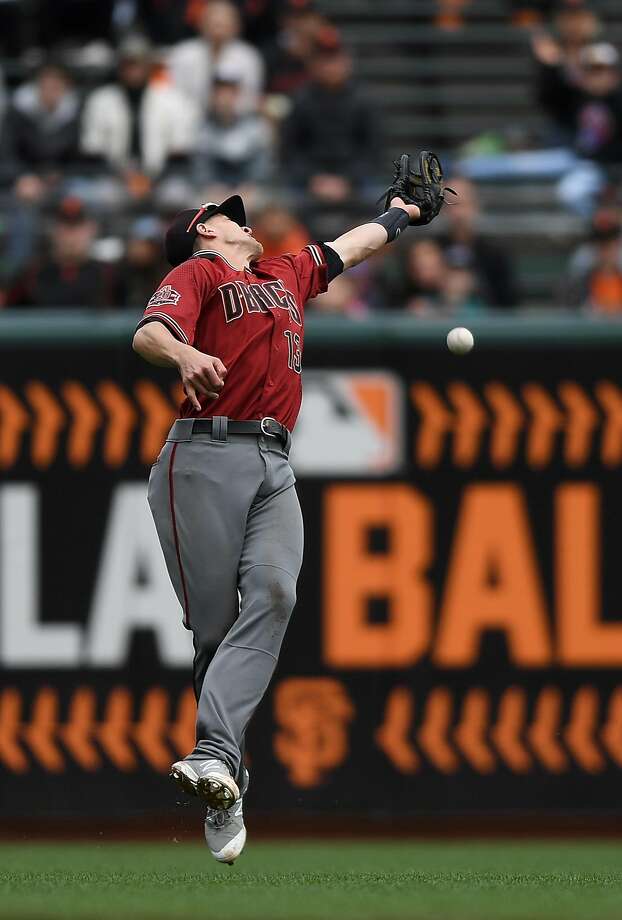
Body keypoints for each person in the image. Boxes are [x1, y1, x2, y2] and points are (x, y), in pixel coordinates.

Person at [132, 174, 436, 863]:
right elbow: (150, 332)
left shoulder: (284, 271)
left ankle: (212, 754)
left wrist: (402, 213)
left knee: (276, 593)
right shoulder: (200, 270)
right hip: (199, 458)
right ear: (205, 229)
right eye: (226, 216)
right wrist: (183, 352)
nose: (242, 221)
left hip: (272, 459)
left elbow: (348, 249)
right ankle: (227, 779)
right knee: (214, 632)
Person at [80, 34, 199, 180]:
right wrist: (123, 177)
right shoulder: (101, 100)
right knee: (103, 193)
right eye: (128, 64)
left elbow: (180, 151)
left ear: (148, 65)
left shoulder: (173, 100)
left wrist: (151, 179)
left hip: (162, 178)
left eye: (138, 63)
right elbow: (93, 150)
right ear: (119, 67)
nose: (133, 70)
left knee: (175, 193)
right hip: (113, 177)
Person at [282, 36, 374, 203]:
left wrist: (347, 180)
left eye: (335, 60)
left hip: (354, 179)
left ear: (347, 63)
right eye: (325, 61)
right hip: (309, 179)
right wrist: (313, 179)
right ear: (314, 65)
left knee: (376, 200)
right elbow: (291, 149)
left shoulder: (364, 100)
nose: (330, 67)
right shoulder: (301, 99)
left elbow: (372, 149)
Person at [16, 197, 120, 308]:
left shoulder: (109, 275)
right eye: (66, 227)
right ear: (54, 231)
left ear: (91, 230)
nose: (71, 236)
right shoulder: (33, 273)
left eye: (77, 227)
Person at [168, 0, 264, 115]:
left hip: (234, 121)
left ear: (236, 27)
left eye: (223, 24)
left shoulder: (248, 57)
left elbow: (252, 99)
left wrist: (228, 105)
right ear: (201, 24)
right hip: (189, 118)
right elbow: (173, 95)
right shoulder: (183, 54)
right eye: (213, 23)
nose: (218, 30)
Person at [439, 177, 518, 307]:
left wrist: (476, 284)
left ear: (475, 206)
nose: (458, 214)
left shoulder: (495, 254)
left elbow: (509, 302)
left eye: (463, 205)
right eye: (451, 205)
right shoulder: (431, 250)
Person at [193, 74, 273, 188]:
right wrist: (211, 187)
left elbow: (261, 167)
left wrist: (251, 186)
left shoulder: (254, 127)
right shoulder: (203, 129)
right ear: (212, 97)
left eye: (230, 94)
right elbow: (201, 168)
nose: (224, 99)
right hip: (213, 191)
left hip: (248, 190)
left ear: (237, 96)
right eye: (220, 94)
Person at [7, 62, 80, 173]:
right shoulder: (18, 111)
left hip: (62, 174)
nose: (51, 91)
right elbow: (9, 152)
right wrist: (20, 176)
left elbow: (74, 154)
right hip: (23, 173)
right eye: (47, 85)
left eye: (56, 85)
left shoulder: (74, 112)